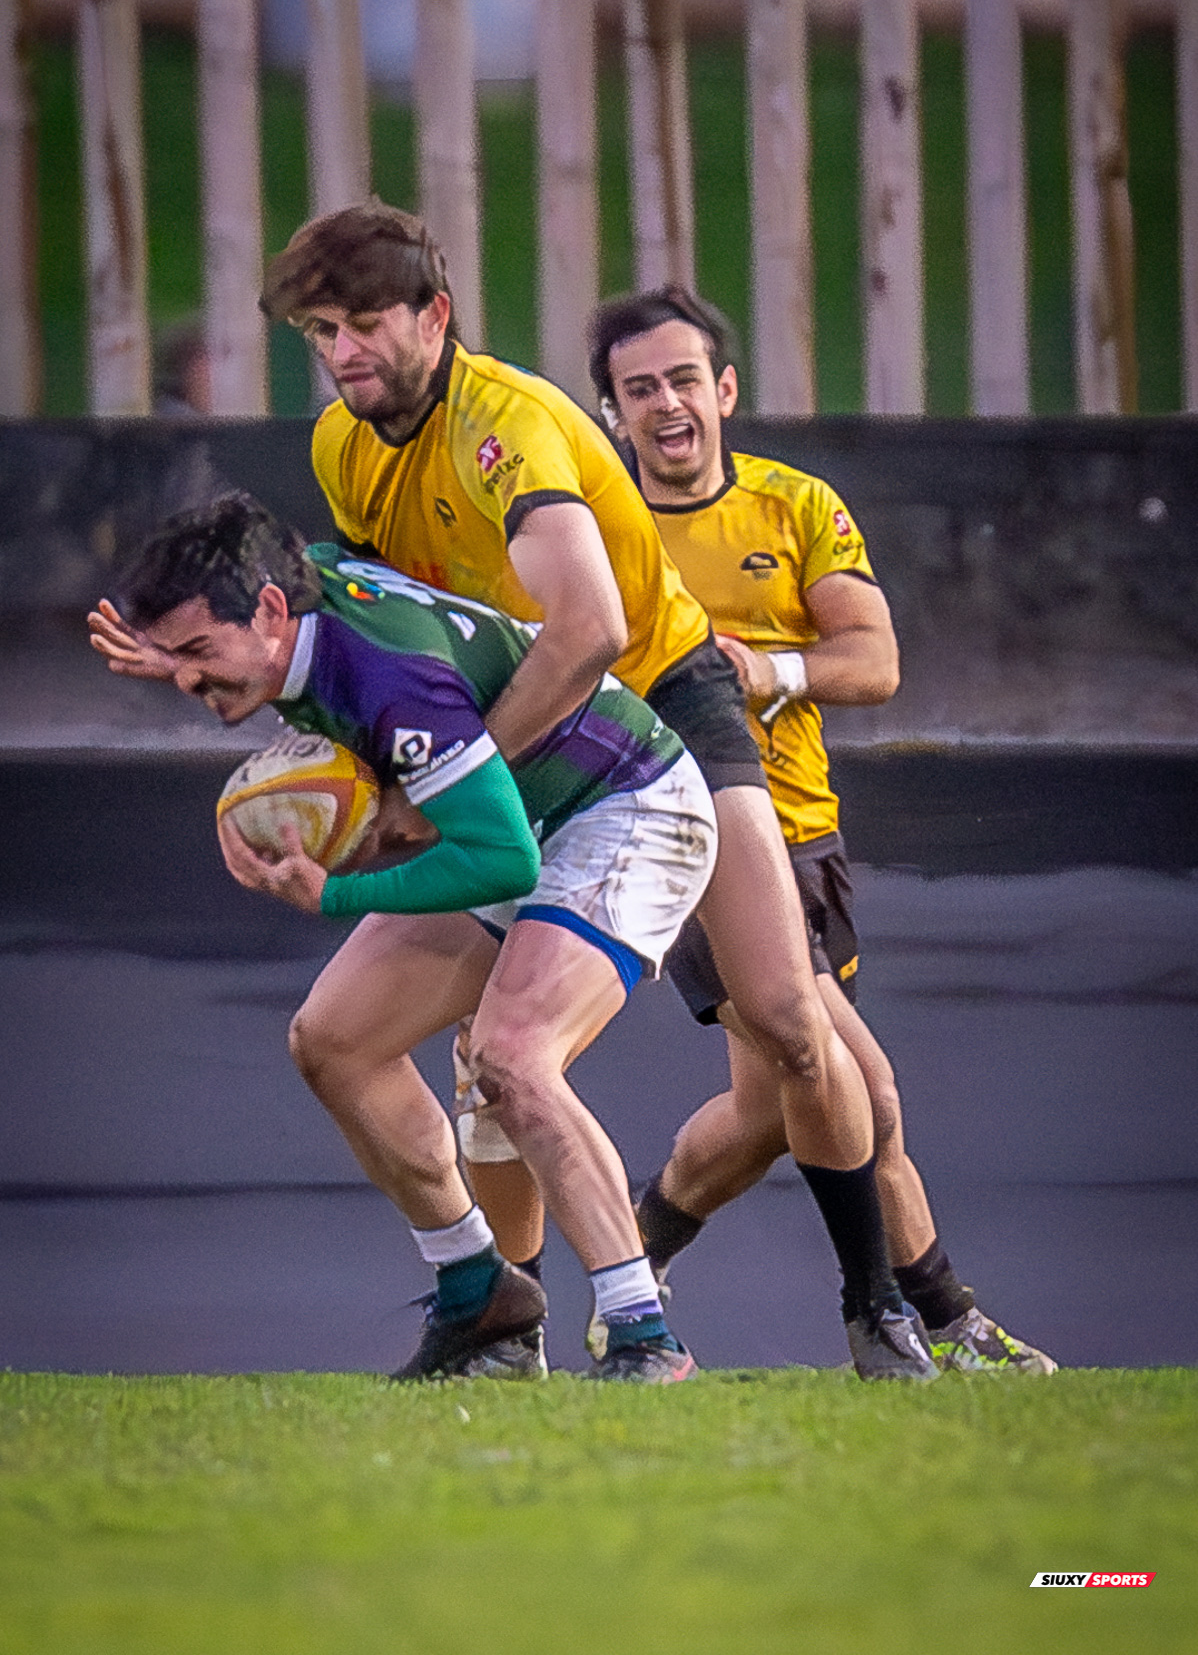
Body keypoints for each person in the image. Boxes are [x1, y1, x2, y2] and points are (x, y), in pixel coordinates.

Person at [90, 200, 937, 1381]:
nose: (342, 354)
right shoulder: (346, 441)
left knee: (789, 1019)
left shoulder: (510, 428)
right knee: (470, 1067)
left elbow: (587, 631)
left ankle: (881, 1309)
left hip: (653, 698)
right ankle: (508, 1331)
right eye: (321, 330)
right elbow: (366, 605)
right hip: (519, 723)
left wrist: (444, 777)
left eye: (366, 324)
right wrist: (196, 638)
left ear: (434, 316)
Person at [110, 491, 717, 1381]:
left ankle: (644, 1338)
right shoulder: (297, 582)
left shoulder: (390, 684)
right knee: (334, 1041)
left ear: (272, 611)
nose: (191, 681)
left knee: (511, 1057)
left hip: (625, 806)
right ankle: (482, 1297)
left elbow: (503, 862)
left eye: (200, 653)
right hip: (516, 810)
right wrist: (169, 653)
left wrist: (334, 895)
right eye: (178, 659)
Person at [572, 284, 1055, 1376]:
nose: (666, 407)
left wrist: (769, 672)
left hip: (806, 843)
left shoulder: (796, 507)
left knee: (766, 1110)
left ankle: (630, 1270)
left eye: (683, 380)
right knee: (858, 1085)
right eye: (637, 389)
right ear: (609, 413)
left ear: (725, 389)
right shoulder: (599, 537)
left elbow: (873, 663)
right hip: (684, 839)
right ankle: (940, 1321)